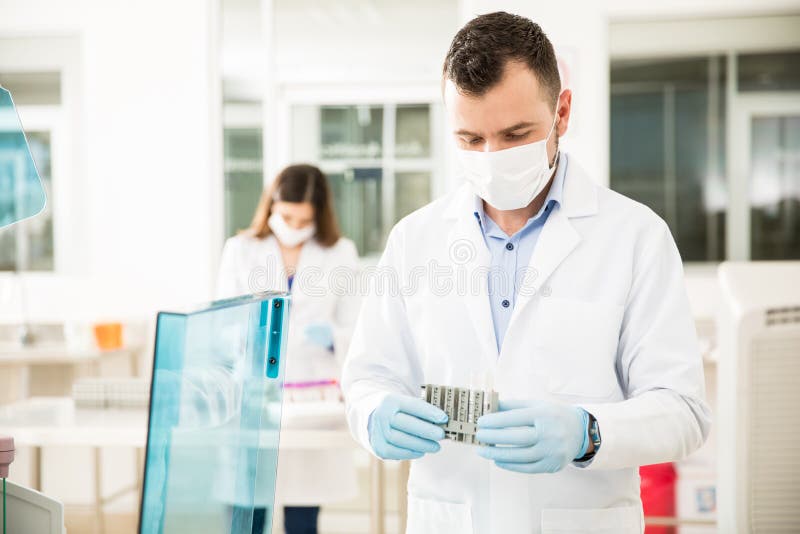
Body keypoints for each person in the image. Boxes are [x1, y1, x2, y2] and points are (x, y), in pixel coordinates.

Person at [342, 12, 710, 534]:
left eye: (515, 134)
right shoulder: (414, 240)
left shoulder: (635, 237)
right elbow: (368, 377)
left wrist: (589, 432)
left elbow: (684, 412)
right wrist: (374, 412)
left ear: (562, 112)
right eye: (470, 139)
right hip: (449, 519)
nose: (493, 158)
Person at [217, 163, 360, 534]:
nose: (294, 226)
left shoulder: (340, 253)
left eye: (303, 220)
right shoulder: (241, 249)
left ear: (319, 215)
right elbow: (222, 321)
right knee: (247, 509)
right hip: (254, 394)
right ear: (270, 207)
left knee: (302, 510)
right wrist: (247, 333)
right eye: (286, 216)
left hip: (311, 395)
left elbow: (355, 325)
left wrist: (333, 337)